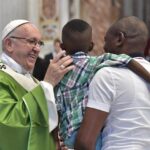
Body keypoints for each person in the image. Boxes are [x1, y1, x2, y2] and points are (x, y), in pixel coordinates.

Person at [54, 19, 150, 149]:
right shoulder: (142, 71)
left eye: (105, 40)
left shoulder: (107, 74)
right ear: (90, 45)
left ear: (119, 39)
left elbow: (84, 142)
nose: (104, 47)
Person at [0, 19, 74, 150]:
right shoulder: (2, 77)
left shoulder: (32, 81)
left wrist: (54, 142)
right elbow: (7, 123)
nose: (37, 49)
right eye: (31, 41)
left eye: (40, 43)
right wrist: (48, 83)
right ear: (9, 44)